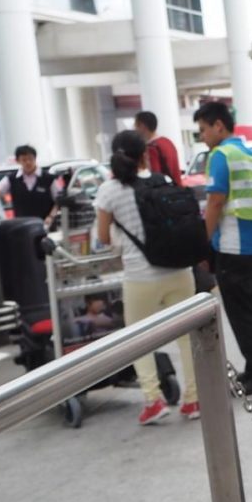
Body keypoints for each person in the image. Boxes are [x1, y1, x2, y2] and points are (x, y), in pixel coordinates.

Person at [94, 129, 201, 424]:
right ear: (144, 155)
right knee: (188, 337)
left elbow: (103, 236)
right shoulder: (162, 181)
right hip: (179, 271)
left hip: (140, 276)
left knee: (140, 339)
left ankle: (153, 401)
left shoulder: (109, 191)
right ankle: (193, 400)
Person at [194, 101, 252, 395]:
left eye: (204, 129)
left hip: (233, 247)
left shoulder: (220, 156)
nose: (203, 136)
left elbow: (215, 202)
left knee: (241, 311)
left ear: (219, 125)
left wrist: (203, 243)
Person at [0, 145, 63, 229]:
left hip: (46, 225)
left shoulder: (48, 178)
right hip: (22, 227)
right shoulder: (11, 179)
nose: (28, 162)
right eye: (24, 160)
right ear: (18, 161)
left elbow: (59, 200)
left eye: (30, 159)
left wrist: (51, 217)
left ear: (35, 159)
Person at [133, 110, 182, 184]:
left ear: (142, 126)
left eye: (136, 125)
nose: (135, 129)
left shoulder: (151, 148)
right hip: (177, 189)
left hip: (164, 192)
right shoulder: (167, 141)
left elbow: (155, 177)